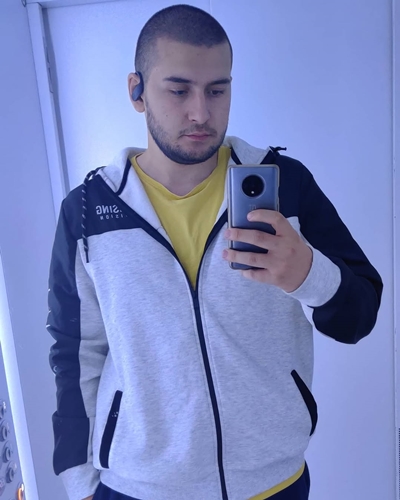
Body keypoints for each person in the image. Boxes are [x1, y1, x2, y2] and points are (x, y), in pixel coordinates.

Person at [46, 4, 383, 500]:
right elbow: (75, 353)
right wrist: (79, 484)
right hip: (138, 488)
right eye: (179, 90)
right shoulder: (87, 212)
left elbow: (361, 315)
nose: (201, 113)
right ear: (136, 91)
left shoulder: (286, 186)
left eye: (217, 90)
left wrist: (308, 275)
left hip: (273, 483)